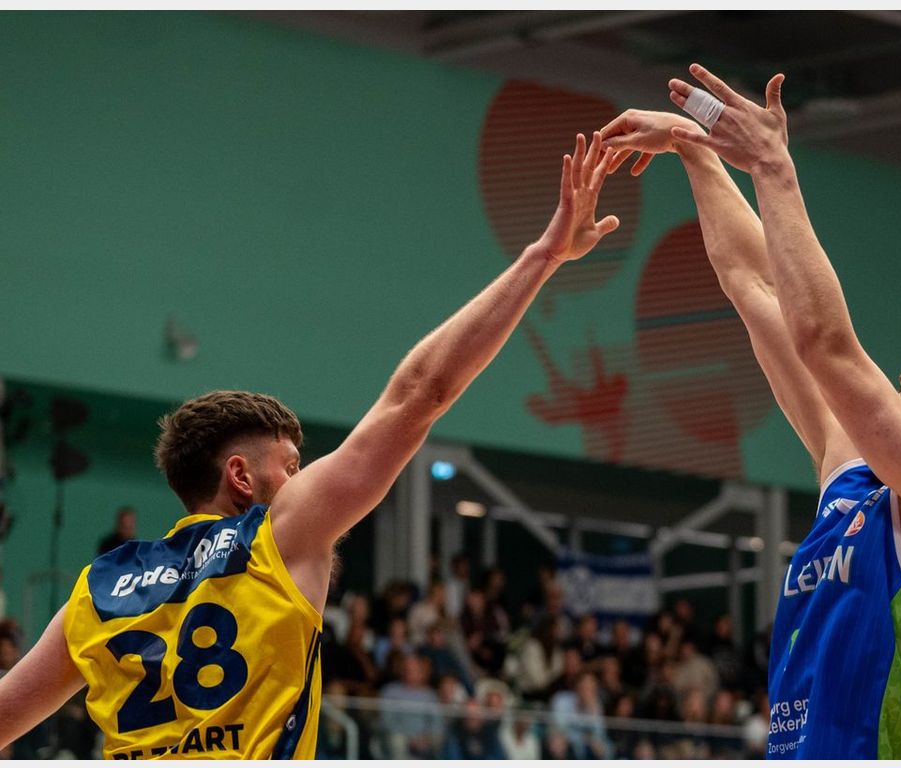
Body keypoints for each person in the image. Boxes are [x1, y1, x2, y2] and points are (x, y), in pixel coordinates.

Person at [0, 133, 622, 759]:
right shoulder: (276, 536)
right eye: (292, 466)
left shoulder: (99, 589)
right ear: (241, 476)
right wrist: (545, 255)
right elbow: (422, 392)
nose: (301, 481)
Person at [601, 64, 901, 759]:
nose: (883, 395)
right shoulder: (855, 480)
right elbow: (752, 282)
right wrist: (693, 146)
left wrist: (772, 166)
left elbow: (825, 345)